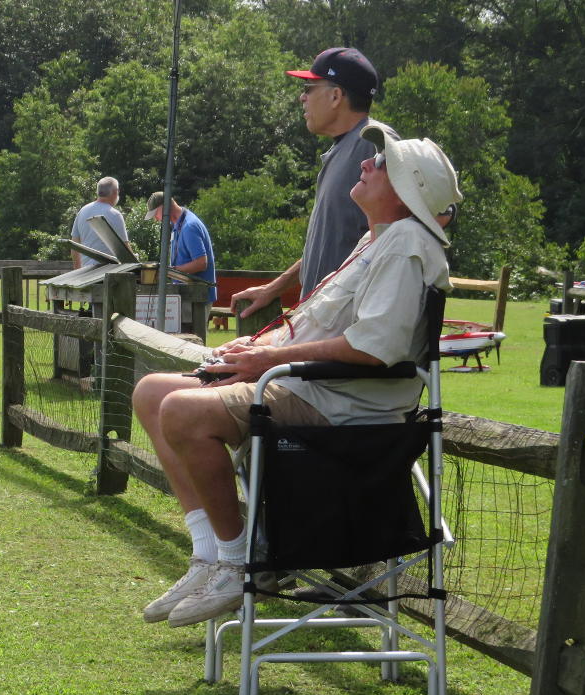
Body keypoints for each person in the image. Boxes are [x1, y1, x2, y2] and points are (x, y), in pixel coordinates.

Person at [132, 125, 461, 628]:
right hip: (308, 387)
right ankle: (210, 555)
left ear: (404, 187)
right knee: (151, 391)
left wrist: (263, 363)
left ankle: (239, 561)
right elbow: (322, 323)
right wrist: (258, 345)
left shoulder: (405, 246)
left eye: (380, 163)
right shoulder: (378, 240)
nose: (365, 165)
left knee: (180, 410)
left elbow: (373, 349)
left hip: (339, 408)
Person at [230, 47, 395, 319]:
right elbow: (330, 244)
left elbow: (427, 218)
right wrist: (274, 289)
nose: (302, 97)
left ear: (335, 96)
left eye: (309, 88)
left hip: (347, 327)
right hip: (323, 322)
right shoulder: (345, 148)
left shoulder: (374, 142)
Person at [144, 191, 218, 306]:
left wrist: (171, 271)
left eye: (156, 214)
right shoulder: (177, 225)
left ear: (164, 207)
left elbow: (201, 263)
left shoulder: (189, 226)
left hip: (197, 299)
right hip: (187, 296)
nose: (156, 219)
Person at [71, 177, 130, 269]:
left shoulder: (82, 211)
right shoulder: (115, 215)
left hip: (85, 271)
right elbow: (125, 251)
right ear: (116, 192)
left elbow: (74, 246)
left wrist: (77, 272)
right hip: (107, 272)